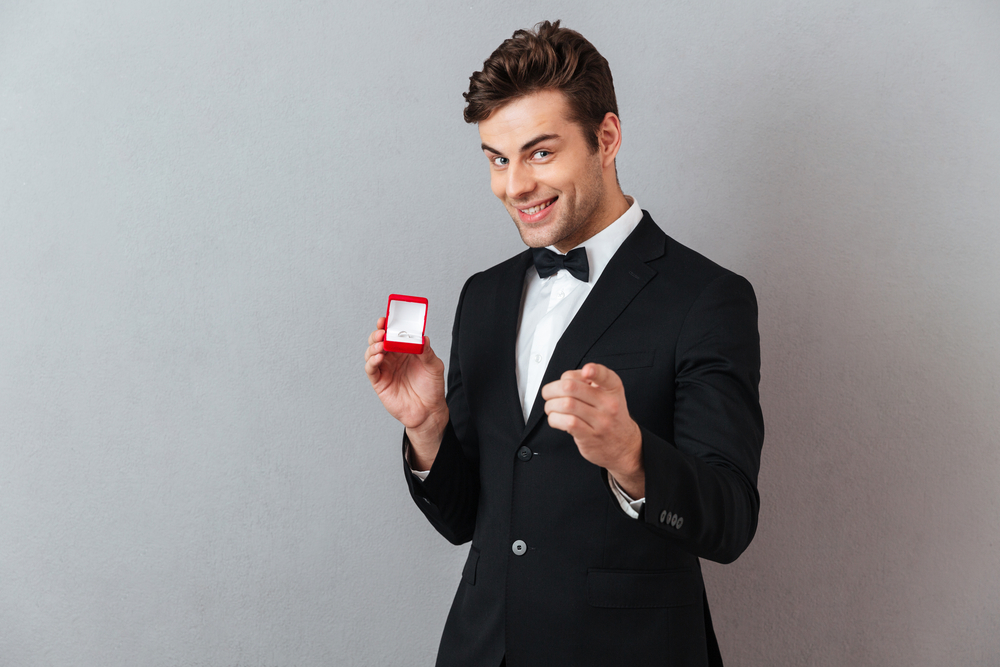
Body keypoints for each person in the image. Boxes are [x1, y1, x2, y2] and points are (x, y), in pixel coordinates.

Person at [363, 20, 764, 667]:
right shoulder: (483, 296)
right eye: (498, 158)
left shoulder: (706, 297)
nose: (514, 185)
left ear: (606, 138)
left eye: (540, 152)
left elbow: (731, 519)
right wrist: (428, 426)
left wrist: (631, 454)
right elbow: (466, 520)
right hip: (481, 648)